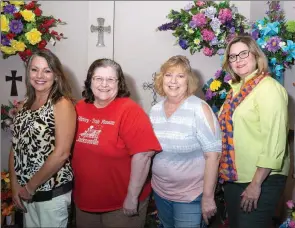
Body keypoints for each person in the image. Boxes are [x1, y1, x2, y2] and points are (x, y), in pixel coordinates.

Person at [72, 58, 162, 228]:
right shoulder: (78, 107)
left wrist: (132, 197)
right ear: (90, 80)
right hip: (85, 201)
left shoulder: (130, 110)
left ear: (119, 82)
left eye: (110, 79)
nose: (104, 84)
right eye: (98, 78)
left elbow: (143, 155)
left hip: (121, 204)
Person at [218, 34, 290, 228]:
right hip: (235, 177)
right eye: (233, 57)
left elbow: (274, 140)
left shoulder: (268, 88)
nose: (238, 60)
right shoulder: (235, 91)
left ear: (256, 55)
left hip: (262, 179)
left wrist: (256, 183)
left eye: (243, 53)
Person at [149, 55, 222, 228]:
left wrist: (208, 197)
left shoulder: (199, 108)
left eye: (180, 76)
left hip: (191, 195)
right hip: (161, 191)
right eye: (168, 75)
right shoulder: (155, 110)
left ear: (188, 80)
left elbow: (214, 156)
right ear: (162, 78)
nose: (173, 81)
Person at [9, 49, 76, 227]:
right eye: (34, 69)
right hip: (26, 193)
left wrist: (30, 187)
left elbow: (61, 153)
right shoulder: (24, 104)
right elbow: (16, 147)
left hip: (51, 193)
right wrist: (15, 185)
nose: (40, 75)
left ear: (56, 75)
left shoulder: (61, 104)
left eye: (47, 70)